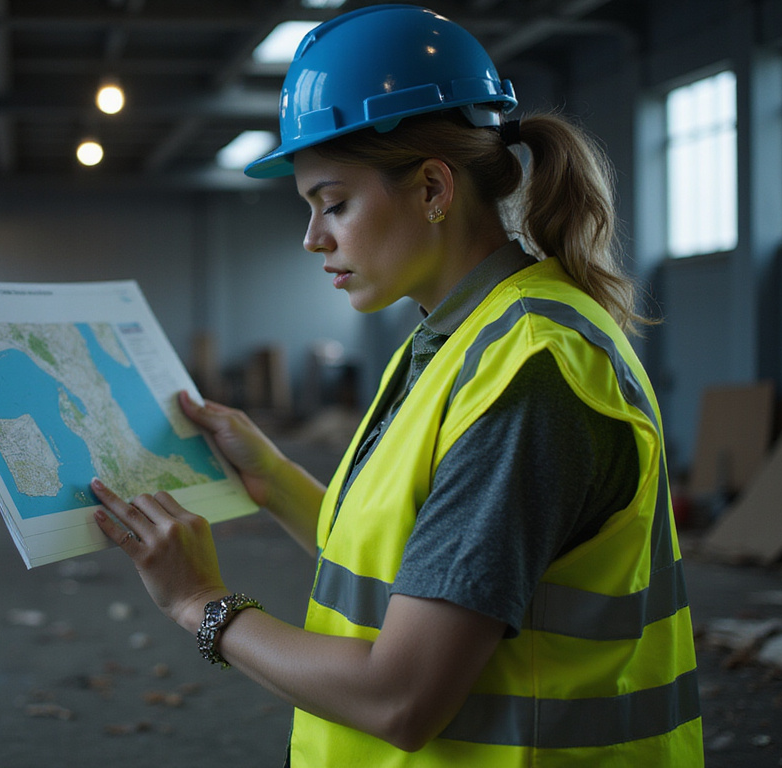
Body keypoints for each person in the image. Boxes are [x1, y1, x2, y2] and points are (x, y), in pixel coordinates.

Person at [90, 4, 703, 765]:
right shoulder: (453, 339)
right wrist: (271, 476)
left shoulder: (528, 375)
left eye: (334, 204)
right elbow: (416, 561)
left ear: (434, 189)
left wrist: (199, 603)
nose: (313, 238)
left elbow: (400, 697)